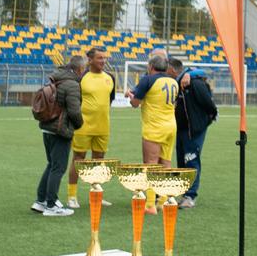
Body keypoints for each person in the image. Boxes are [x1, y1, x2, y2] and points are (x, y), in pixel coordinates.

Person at [32, 54, 86, 217]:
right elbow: (74, 110)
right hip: (60, 129)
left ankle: (41, 201)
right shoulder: (72, 84)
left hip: (47, 126)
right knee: (58, 167)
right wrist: (79, 124)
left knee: (51, 164)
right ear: (80, 69)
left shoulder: (56, 79)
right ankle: (51, 205)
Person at [128, 53, 179, 214]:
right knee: (166, 163)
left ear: (150, 66)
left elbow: (135, 103)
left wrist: (131, 96)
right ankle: (163, 201)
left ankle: (150, 205)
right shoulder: (173, 81)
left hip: (154, 127)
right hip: (171, 126)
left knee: (150, 164)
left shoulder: (148, 80)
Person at [67, 47, 116, 209]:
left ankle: (96, 195)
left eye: (104, 58)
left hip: (103, 126)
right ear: (90, 60)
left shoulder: (110, 78)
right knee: (78, 159)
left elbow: (109, 100)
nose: (103, 61)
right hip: (83, 126)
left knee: (98, 161)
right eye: (99, 58)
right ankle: (72, 196)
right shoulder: (81, 77)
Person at [169, 58, 217, 209]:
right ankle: (185, 194)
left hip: (194, 129)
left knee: (191, 159)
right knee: (182, 161)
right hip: (181, 128)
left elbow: (208, 104)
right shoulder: (178, 81)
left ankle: (190, 196)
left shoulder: (194, 83)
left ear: (172, 70)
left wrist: (206, 119)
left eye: (167, 70)